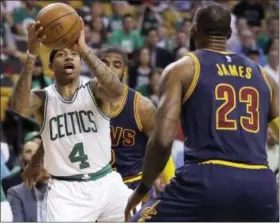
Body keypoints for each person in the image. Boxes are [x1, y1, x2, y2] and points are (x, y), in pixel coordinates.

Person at [125, 3, 279, 222]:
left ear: (194, 30)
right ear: (228, 33)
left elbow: (161, 141)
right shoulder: (265, 77)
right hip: (260, 187)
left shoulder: (183, 68)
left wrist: (144, 187)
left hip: (207, 180)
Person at [11, 19, 132, 221]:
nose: (69, 57)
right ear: (50, 65)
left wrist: (84, 50)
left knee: (141, 216)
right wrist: (31, 55)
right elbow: (19, 106)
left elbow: (117, 92)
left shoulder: (94, 89)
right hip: (66, 191)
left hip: (106, 182)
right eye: (61, 54)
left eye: (74, 55)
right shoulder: (43, 98)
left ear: (80, 62)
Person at [95, 48, 174, 190]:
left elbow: (160, 146)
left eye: (116, 65)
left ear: (124, 71)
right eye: (104, 64)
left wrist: (168, 182)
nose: (109, 69)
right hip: (95, 186)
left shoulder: (141, 106)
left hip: (132, 184)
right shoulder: (83, 101)